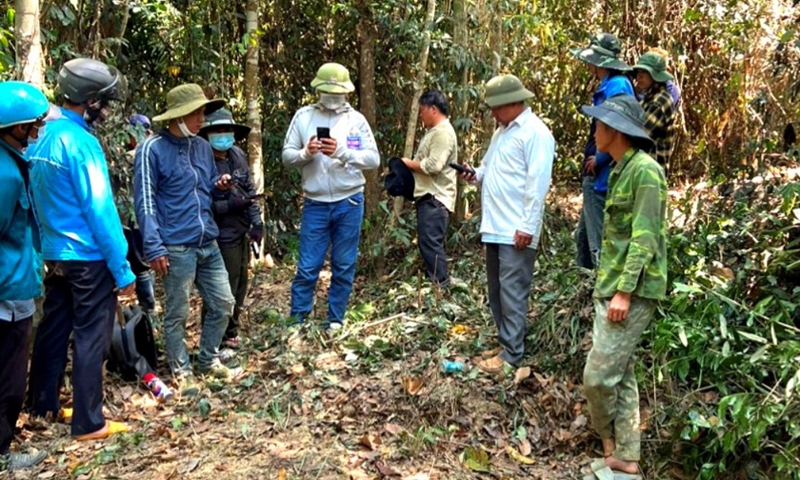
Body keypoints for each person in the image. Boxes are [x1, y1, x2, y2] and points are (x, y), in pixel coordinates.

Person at [27, 58, 134, 441]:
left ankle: (42, 404)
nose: (105, 111)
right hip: (87, 258)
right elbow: (100, 210)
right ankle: (89, 422)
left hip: (54, 255)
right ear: (89, 102)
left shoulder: (40, 138)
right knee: (92, 336)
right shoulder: (82, 143)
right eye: (103, 104)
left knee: (54, 328)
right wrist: (122, 270)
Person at [579, 95, 667, 480]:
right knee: (622, 372)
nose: (594, 131)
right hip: (612, 284)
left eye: (599, 125)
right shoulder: (619, 169)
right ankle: (626, 457)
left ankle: (610, 444)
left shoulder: (646, 171)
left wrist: (624, 291)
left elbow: (644, 238)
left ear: (615, 131)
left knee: (597, 377)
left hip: (632, 289)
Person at [134, 84, 239, 385]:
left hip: (207, 239)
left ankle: (208, 359)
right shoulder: (151, 149)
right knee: (177, 313)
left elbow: (204, 184)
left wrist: (219, 184)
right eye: (197, 114)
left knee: (223, 303)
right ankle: (182, 370)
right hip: (176, 245)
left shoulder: (202, 146)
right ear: (178, 116)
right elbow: (145, 200)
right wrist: (153, 246)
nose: (202, 120)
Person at [459, 75, 555, 373]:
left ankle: (512, 354)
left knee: (513, 290)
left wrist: (528, 226)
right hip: (495, 224)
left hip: (516, 227)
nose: (492, 114)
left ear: (513, 102)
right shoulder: (502, 133)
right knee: (497, 290)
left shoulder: (535, 133)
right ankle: (506, 342)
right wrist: (473, 174)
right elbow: (488, 168)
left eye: (496, 107)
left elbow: (537, 183)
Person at [282, 62, 380, 330]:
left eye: (338, 93)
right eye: (328, 92)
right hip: (315, 203)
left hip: (349, 201)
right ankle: (297, 320)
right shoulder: (304, 117)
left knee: (344, 264)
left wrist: (341, 152)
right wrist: (306, 152)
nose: (333, 98)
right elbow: (287, 155)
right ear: (318, 90)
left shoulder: (355, 120)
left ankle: (334, 319)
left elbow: (373, 159)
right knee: (308, 266)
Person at [0, 81, 49, 471]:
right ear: (16, 128)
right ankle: (2, 451)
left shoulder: (11, 163)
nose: (36, 133)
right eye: (33, 126)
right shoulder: (6, 175)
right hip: (6, 291)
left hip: (13, 283)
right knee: (9, 379)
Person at [199, 108, 264, 349]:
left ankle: (230, 331)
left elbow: (249, 191)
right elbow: (200, 201)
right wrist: (226, 204)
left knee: (240, 283)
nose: (223, 135)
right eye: (217, 130)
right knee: (220, 288)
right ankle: (213, 339)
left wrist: (257, 222)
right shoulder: (202, 159)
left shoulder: (236, 155)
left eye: (227, 130)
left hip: (240, 230)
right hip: (218, 234)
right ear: (207, 134)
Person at [571, 33, 634, 269]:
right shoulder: (609, 84)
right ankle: (586, 286)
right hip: (597, 172)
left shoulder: (618, 85)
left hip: (604, 173)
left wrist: (600, 158)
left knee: (598, 240)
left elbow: (620, 125)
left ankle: (601, 288)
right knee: (584, 236)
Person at [401, 90, 458, 288]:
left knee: (431, 245)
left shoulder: (442, 133)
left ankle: (440, 288)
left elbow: (434, 166)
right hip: (428, 197)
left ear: (433, 109)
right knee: (428, 244)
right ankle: (436, 287)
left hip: (436, 197)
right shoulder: (433, 132)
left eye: (423, 110)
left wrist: (408, 163)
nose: (421, 115)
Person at [126, 114, 159, 318]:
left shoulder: (134, 156)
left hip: (136, 220)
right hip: (145, 218)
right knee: (146, 264)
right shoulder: (152, 153)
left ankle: (149, 311)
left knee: (142, 266)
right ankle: (150, 310)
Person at [632, 52, 676, 175]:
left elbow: (640, 136)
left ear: (655, 76)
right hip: (645, 169)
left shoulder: (659, 102)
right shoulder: (650, 97)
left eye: (644, 73)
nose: (639, 77)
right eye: (638, 72)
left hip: (652, 171)